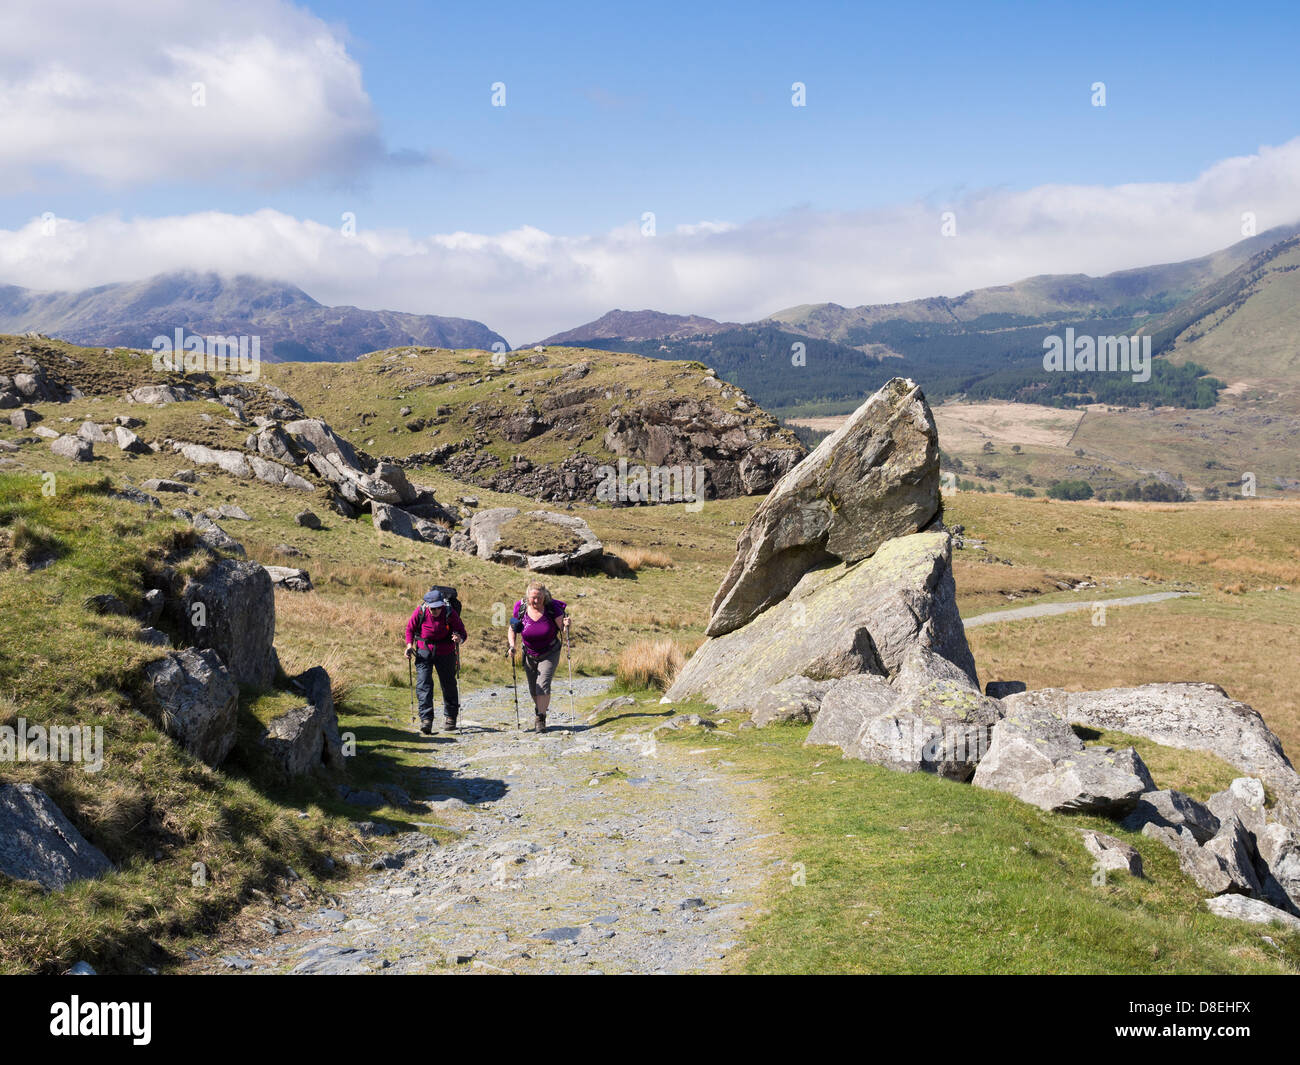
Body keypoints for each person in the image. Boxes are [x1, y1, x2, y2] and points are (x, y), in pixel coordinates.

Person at [507, 581, 570, 732]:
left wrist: (567, 625)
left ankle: (540, 718)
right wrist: (512, 646)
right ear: (528, 596)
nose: (536, 601)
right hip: (529, 653)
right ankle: (540, 709)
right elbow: (512, 629)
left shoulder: (551, 608)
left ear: (544, 596)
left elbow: (563, 629)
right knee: (533, 689)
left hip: (550, 652)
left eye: (539, 597)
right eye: (533, 598)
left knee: (543, 684)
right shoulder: (520, 608)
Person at [405, 588, 467, 733]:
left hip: (446, 652)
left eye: (439, 607)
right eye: (433, 608)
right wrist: (409, 646)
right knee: (423, 684)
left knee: (448, 684)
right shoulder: (420, 612)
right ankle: (426, 720)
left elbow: (462, 632)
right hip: (424, 651)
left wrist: (459, 638)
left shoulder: (449, 612)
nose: (436, 610)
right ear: (427, 606)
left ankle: (451, 717)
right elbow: (410, 629)